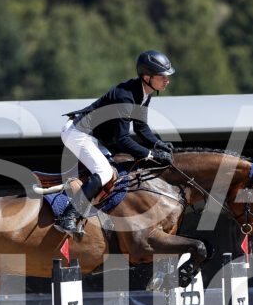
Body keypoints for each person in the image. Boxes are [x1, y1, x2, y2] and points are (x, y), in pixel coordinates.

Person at [55, 50, 177, 235]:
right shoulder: (125, 97)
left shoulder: (144, 93)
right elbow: (122, 139)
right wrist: (150, 154)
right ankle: (67, 216)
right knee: (104, 172)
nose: (167, 80)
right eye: (162, 76)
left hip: (93, 137)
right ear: (147, 77)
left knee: (116, 172)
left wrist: (158, 144)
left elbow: (141, 128)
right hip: (78, 133)